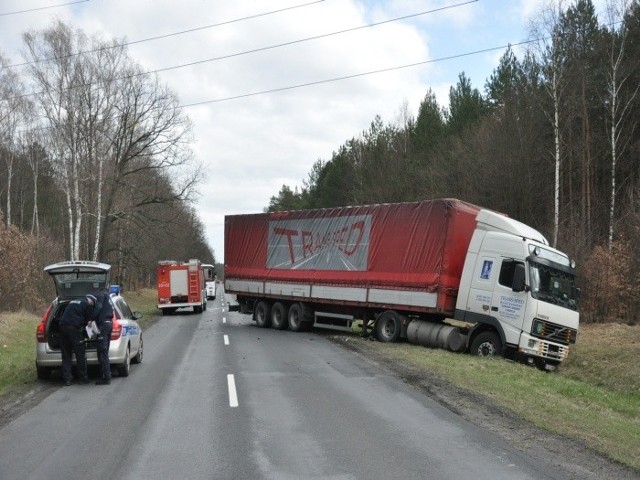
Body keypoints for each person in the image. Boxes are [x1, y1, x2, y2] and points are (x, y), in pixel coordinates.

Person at [59, 294, 96, 386]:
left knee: (66, 354)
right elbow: (89, 321)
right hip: (73, 329)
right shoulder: (87, 305)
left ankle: (67, 379)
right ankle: (83, 378)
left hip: (62, 327)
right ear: (91, 301)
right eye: (93, 304)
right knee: (80, 352)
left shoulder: (73, 302)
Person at [93, 289, 114, 385]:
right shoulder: (108, 297)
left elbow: (98, 308)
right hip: (109, 324)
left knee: (103, 352)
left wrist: (91, 318)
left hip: (103, 326)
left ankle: (106, 377)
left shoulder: (101, 295)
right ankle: (107, 374)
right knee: (105, 351)